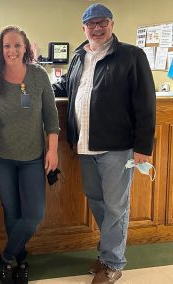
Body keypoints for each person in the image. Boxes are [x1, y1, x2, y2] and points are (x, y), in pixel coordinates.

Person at [53, 3, 156, 284]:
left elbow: (146, 104)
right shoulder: (78, 57)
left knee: (116, 207)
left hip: (118, 148)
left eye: (102, 23)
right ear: (83, 27)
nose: (97, 28)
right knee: (98, 201)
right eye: (91, 24)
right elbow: (68, 89)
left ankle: (112, 262)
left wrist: (144, 148)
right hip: (85, 147)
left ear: (112, 24)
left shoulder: (131, 56)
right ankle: (109, 251)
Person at [0, 25, 60, 284]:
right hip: (0, 158)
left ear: (25, 48)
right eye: (6, 46)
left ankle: (4, 258)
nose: (11, 50)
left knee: (34, 214)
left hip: (33, 158)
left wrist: (53, 150)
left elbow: (51, 115)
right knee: (11, 212)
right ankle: (20, 261)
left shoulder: (38, 75)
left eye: (17, 45)